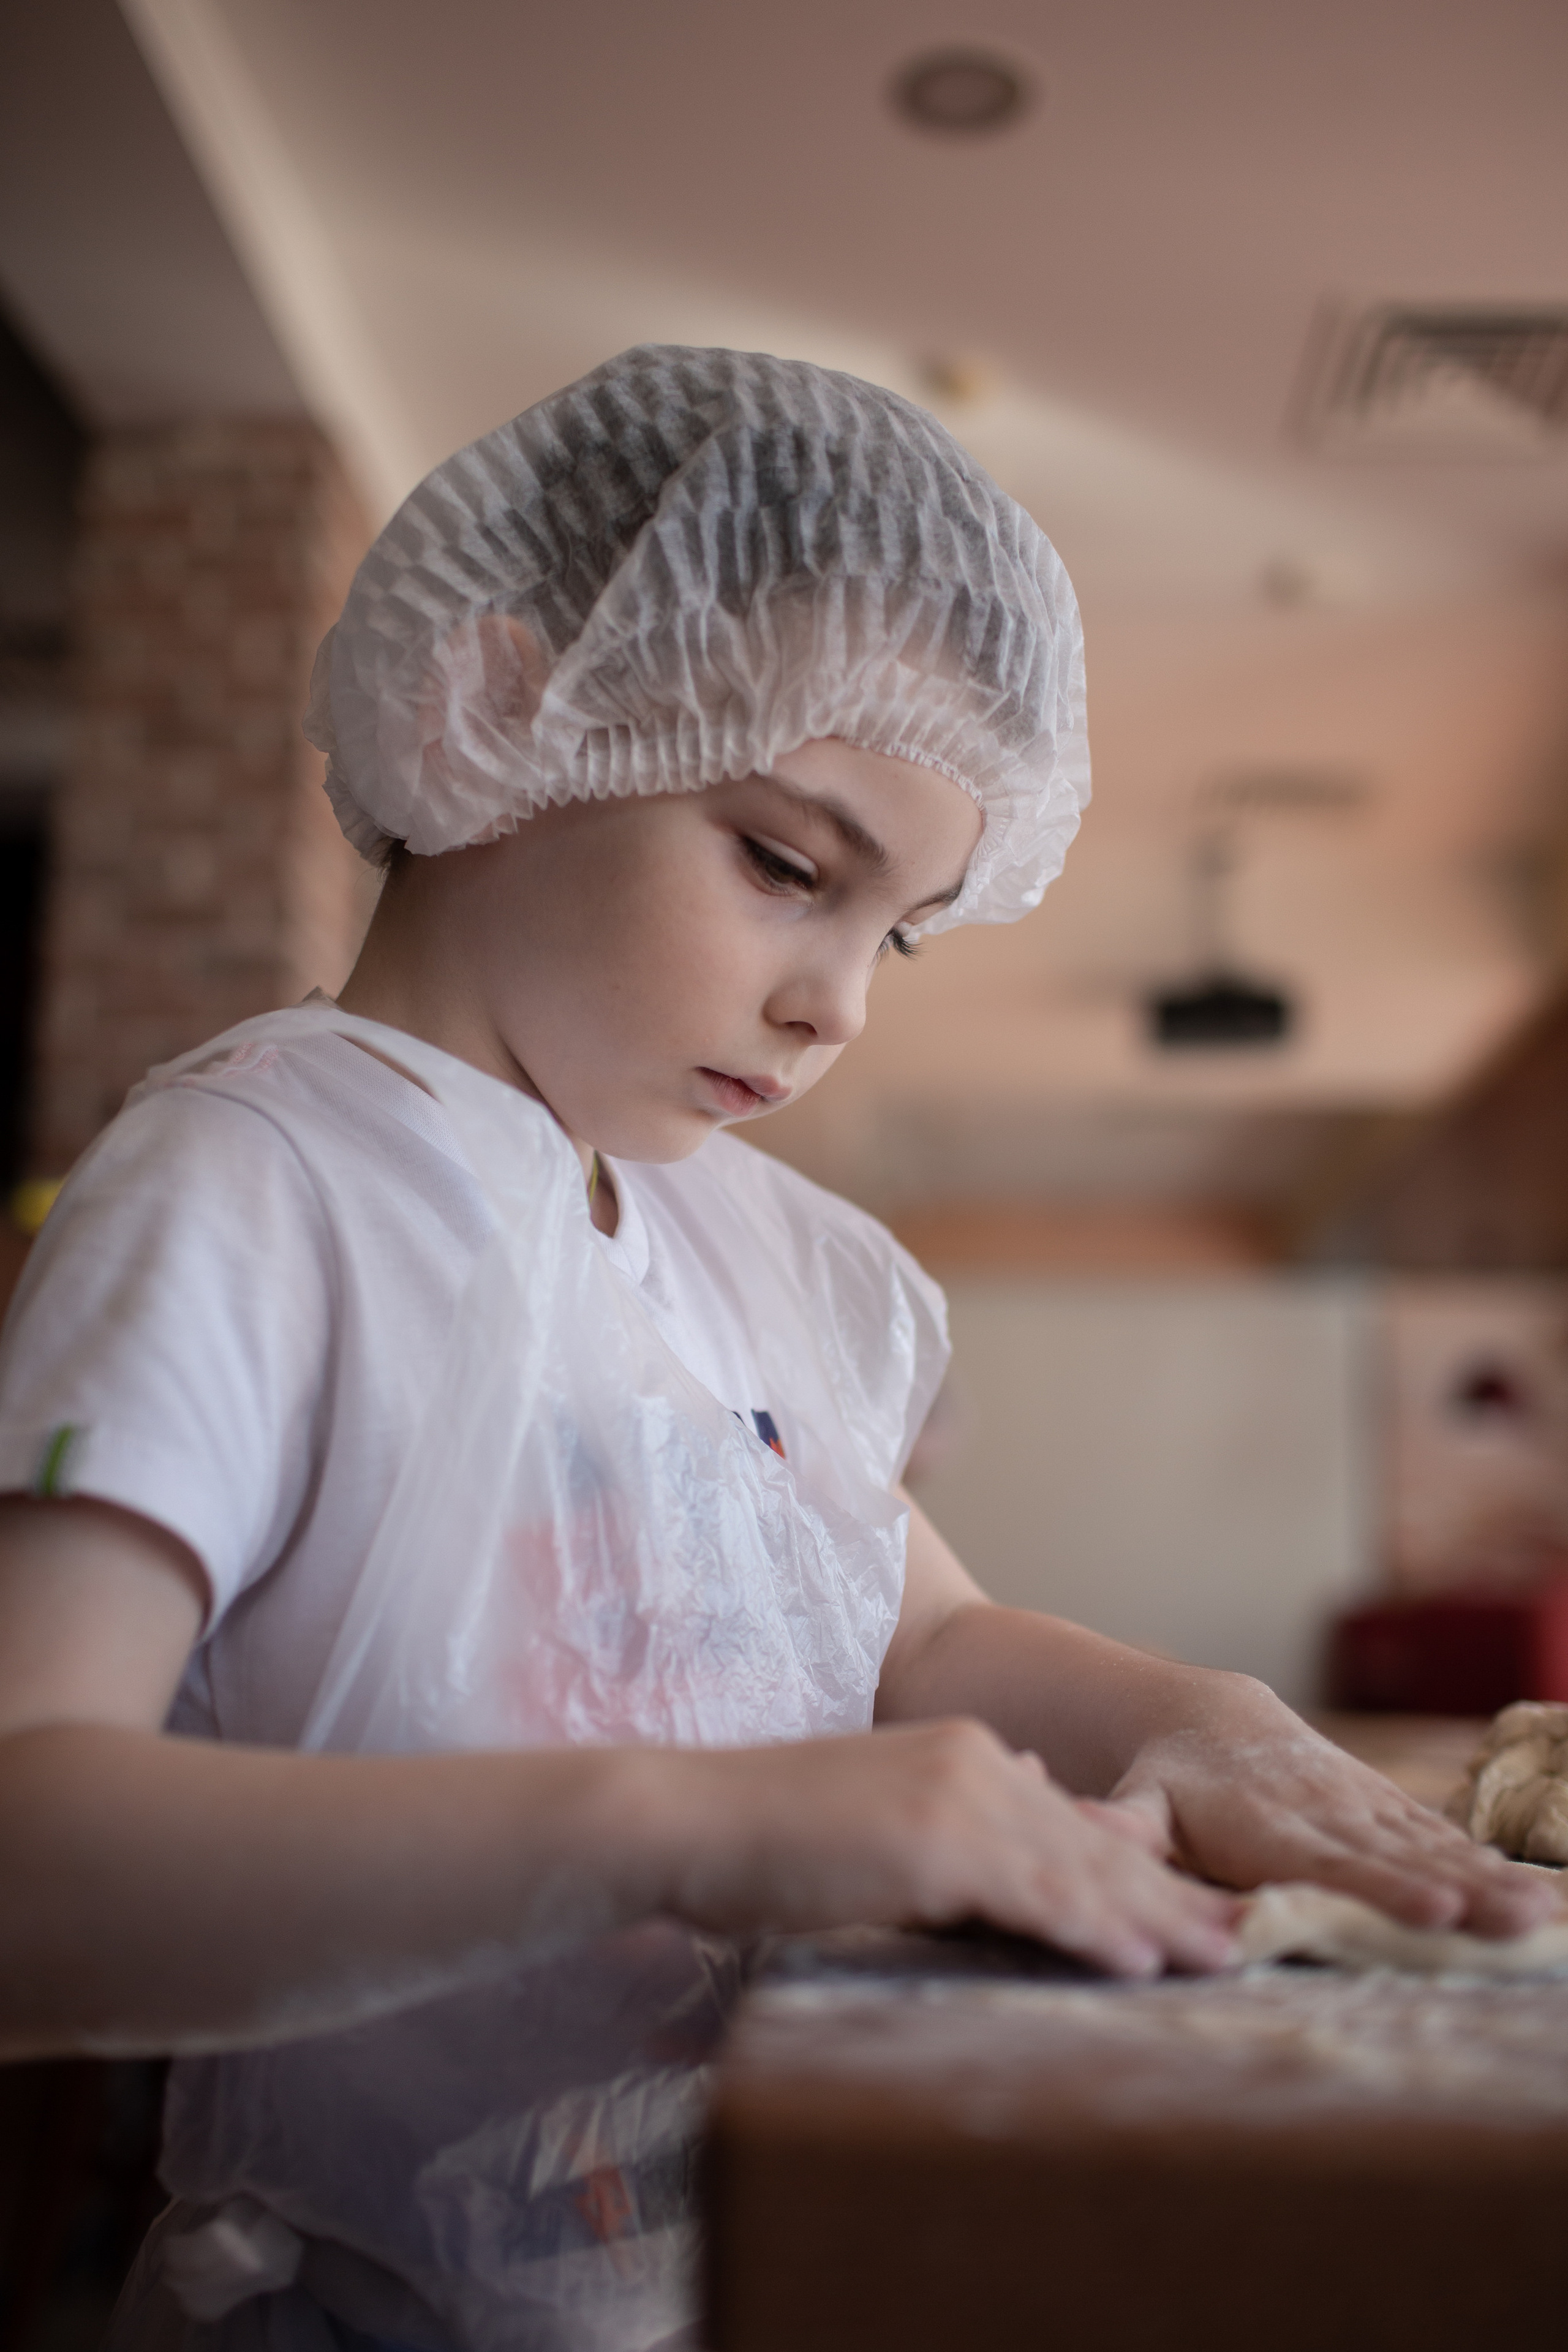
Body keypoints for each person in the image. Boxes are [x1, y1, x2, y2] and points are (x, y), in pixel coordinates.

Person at [0, 346, 1550, 2352]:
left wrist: (1209, 1718)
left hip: (780, 2260)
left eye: (895, 931)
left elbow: (927, 1639)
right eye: (788, 866)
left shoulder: (779, 1260)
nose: (840, 1010)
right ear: (500, 712)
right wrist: (703, 1821)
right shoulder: (256, 1180)